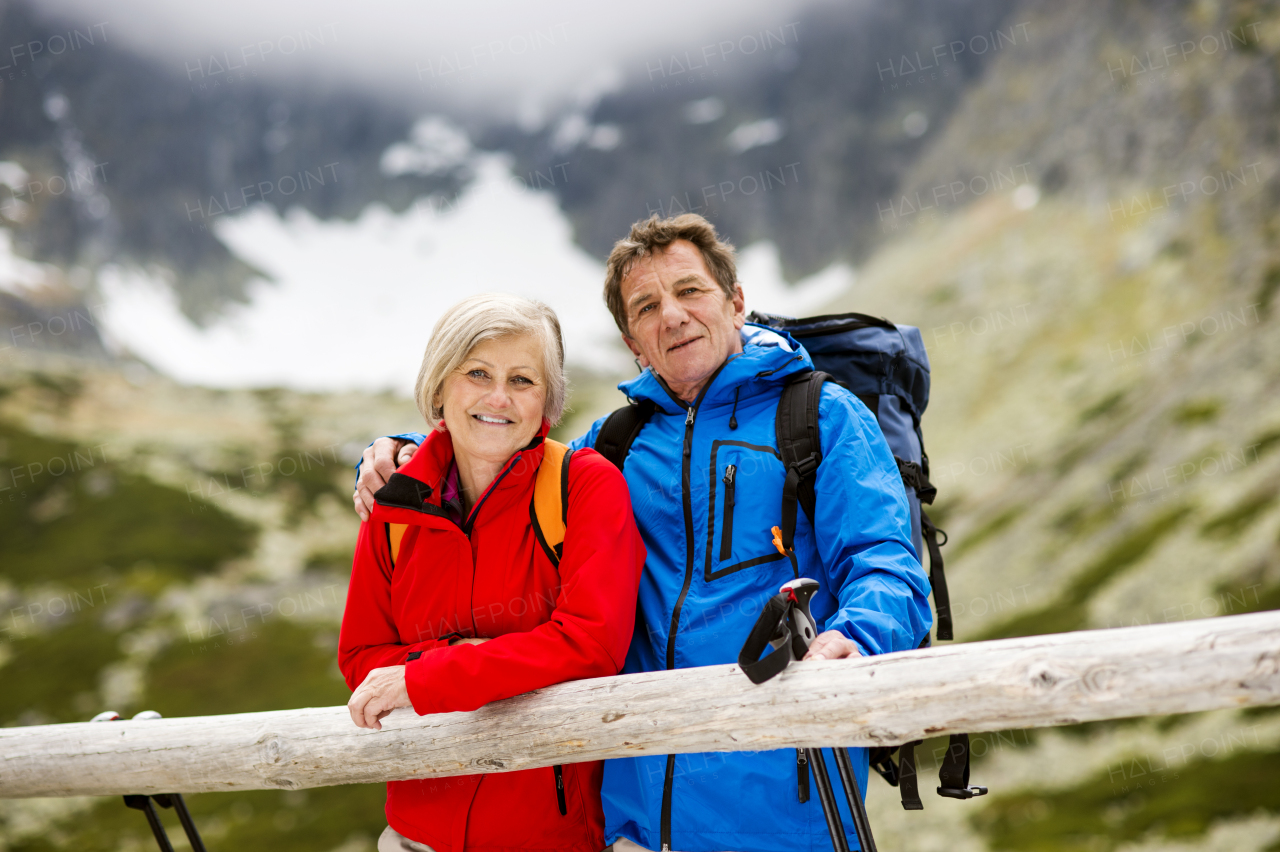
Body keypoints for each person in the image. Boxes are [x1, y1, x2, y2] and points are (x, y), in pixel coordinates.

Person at [354, 215, 933, 852]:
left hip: (782, 804)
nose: (673, 316)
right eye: (648, 306)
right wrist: (403, 452)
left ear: (736, 302)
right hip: (634, 818)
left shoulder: (820, 415)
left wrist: (859, 636)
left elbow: (884, 560)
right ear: (634, 341)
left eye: (691, 291)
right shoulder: (612, 444)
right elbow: (499, 451)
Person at [340, 293, 645, 852]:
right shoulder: (394, 503)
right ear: (439, 388)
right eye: (477, 373)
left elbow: (591, 643)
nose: (499, 397)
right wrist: (482, 656)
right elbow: (361, 658)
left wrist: (424, 675)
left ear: (547, 401)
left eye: (523, 380)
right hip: (415, 836)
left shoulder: (584, 484)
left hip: (551, 836)